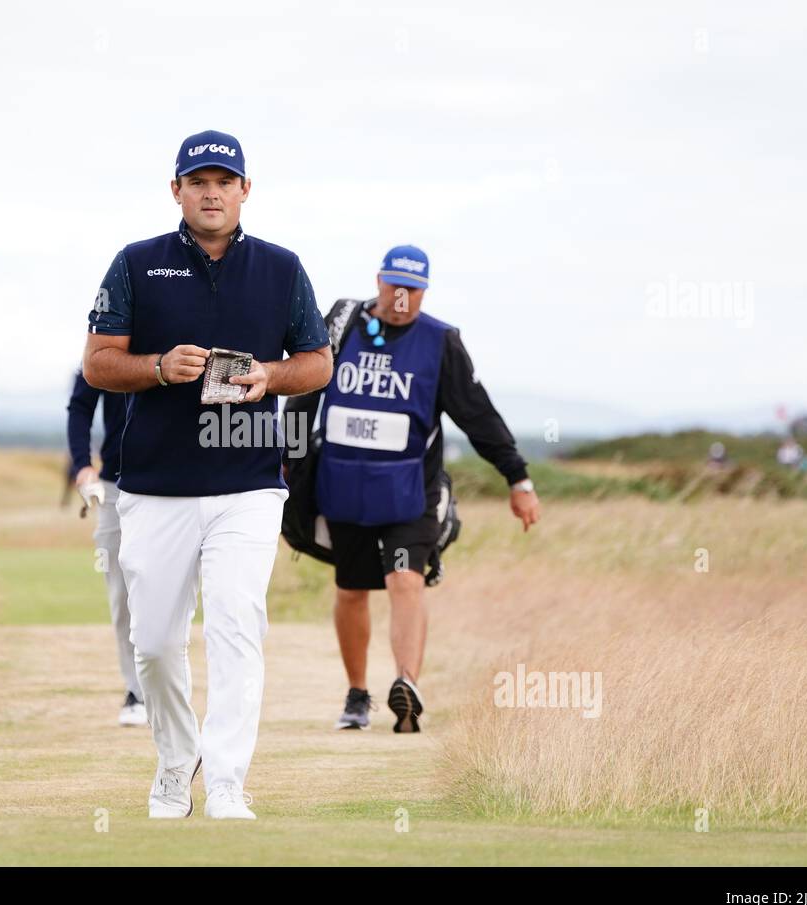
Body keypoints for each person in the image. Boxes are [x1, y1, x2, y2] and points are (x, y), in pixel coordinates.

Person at [81, 130, 332, 819]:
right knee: (156, 643)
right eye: (199, 181)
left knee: (235, 623)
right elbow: (98, 362)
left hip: (249, 481)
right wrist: (160, 367)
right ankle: (174, 761)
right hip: (154, 487)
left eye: (225, 181)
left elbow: (317, 362)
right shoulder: (137, 263)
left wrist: (270, 377)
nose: (212, 192)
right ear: (177, 191)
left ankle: (225, 779)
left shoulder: (283, 269)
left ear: (246, 190)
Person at [309, 245, 540, 732]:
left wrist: (517, 477)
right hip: (344, 487)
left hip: (409, 495)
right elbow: (306, 394)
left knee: (405, 580)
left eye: (413, 290)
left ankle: (406, 685)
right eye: (395, 285)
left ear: (424, 292)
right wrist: (284, 464)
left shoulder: (440, 343)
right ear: (379, 281)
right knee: (351, 590)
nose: (402, 297)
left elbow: (479, 418)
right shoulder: (341, 325)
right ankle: (356, 695)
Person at [65, 369, 146, 727]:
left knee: (170, 592)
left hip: (180, 485)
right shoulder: (109, 331)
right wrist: (82, 466)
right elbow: (81, 405)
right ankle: (138, 691)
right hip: (116, 484)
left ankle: (166, 686)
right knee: (122, 595)